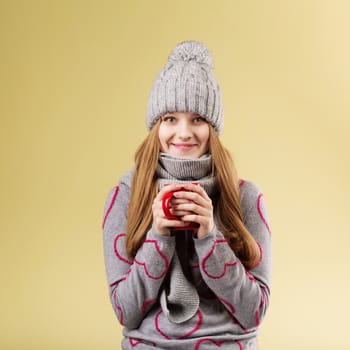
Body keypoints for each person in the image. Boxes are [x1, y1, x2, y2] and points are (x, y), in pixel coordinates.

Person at [102, 41, 272, 350]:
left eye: (198, 119)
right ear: (156, 126)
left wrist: (210, 236)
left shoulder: (246, 197)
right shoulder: (125, 197)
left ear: (213, 128)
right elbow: (125, 312)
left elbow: (254, 312)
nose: (184, 132)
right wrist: (159, 236)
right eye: (170, 118)